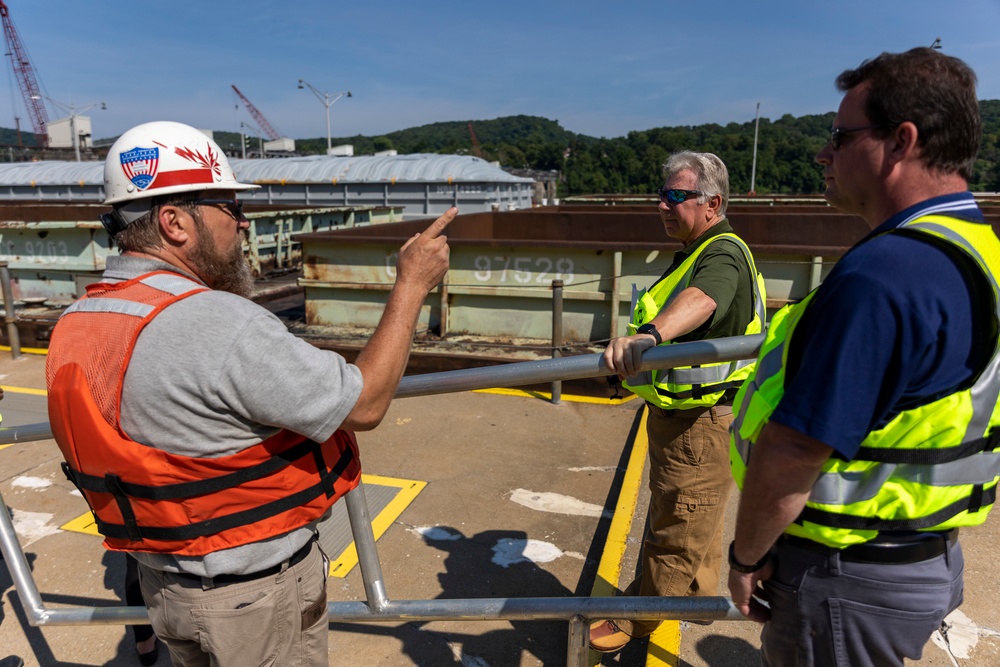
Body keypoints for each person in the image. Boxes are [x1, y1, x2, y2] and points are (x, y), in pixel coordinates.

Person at [45, 121, 453, 667]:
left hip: (165, 588)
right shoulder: (217, 322)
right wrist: (412, 283)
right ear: (174, 222)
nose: (243, 222)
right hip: (252, 599)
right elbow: (365, 404)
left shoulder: (80, 318)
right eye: (229, 208)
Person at [728, 47, 1000, 667]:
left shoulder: (886, 276)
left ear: (901, 141)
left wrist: (745, 556)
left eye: (839, 137)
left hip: (848, 576)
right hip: (921, 552)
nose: (824, 154)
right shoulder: (978, 248)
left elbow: (795, 448)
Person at [590, 151, 766, 652]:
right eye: (660, 195)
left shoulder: (721, 253)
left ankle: (638, 619)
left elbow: (706, 298)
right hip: (694, 413)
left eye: (675, 196)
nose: (662, 206)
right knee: (699, 520)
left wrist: (649, 335)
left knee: (678, 521)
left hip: (699, 419)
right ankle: (693, 598)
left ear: (712, 203)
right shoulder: (699, 247)